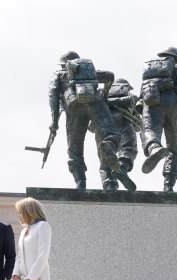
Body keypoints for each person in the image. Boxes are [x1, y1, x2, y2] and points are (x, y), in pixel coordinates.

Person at [48, 51, 136, 191]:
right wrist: (104, 94)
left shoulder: (59, 75)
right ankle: (109, 174)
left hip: (74, 107)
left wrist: (54, 120)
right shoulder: (89, 71)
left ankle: (80, 183)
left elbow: (53, 94)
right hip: (96, 101)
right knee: (112, 135)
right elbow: (110, 76)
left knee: (74, 149)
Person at [138, 46, 177, 191]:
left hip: (152, 103)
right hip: (174, 104)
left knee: (149, 130)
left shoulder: (150, 71)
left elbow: (142, 95)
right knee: (176, 148)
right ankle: (169, 184)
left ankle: (154, 149)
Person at [93, 78, 140, 190]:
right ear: (126, 87)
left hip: (102, 123)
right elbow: (138, 120)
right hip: (123, 119)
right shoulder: (131, 97)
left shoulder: (101, 97)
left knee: (104, 160)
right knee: (128, 147)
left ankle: (110, 184)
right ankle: (122, 167)